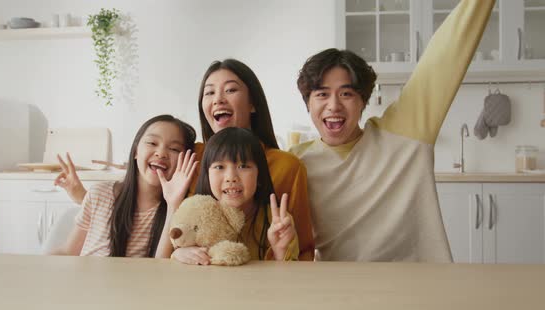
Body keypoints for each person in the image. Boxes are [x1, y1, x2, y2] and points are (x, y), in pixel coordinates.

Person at [290, 0, 495, 262]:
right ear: (308, 102)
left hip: (417, 287)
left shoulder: (405, 134)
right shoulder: (295, 163)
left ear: (363, 101)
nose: (334, 105)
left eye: (346, 93)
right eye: (321, 94)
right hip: (341, 291)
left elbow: (446, 54)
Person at [55, 59, 315, 260]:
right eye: (209, 93)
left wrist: (282, 258)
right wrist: (84, 196)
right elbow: (152, 194)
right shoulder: (193, 156)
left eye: (231, 90)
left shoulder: (287, 166)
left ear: (253, 104)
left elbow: (303, 249)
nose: (218, 99)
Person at [49, 115, 198, 257]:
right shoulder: (100, 193)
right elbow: (69, 253)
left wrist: (173, 206)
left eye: (174, 149)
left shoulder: (181, 212)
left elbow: (160, 269)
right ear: (135, 152)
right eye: (152, 143)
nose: (161, 153)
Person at [171, 127, 299, 265]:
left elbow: (286, 280)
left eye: (243, 166)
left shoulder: (278, 222)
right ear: (207, 176)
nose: (231, 177)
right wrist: (178, 254)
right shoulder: (195, 214)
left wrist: (280, 252)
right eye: (219, 167)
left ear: (259, 176)